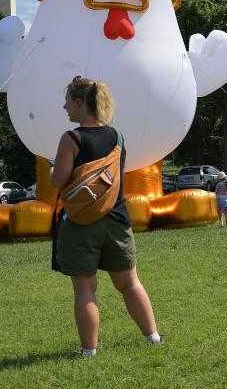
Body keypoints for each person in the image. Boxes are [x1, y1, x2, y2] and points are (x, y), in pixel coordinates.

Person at [50, 77, 162, 356]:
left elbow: (58, 180)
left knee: (85, 289)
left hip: (80, 223)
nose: (64, 107)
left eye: (68, 101)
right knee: (130, 283)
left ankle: (90, 351)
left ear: (79, 103)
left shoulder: (71, 139)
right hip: (117, 220)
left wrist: (53, 171)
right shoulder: (118, 138)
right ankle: (153, 337)